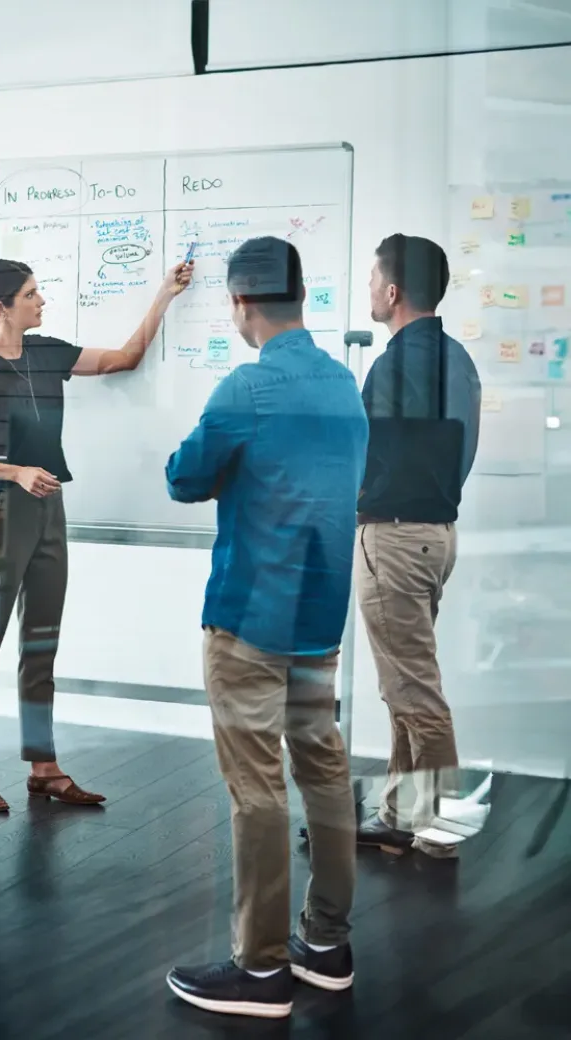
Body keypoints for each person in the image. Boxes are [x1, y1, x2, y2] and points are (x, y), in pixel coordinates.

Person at [163, 237, 368, 1020]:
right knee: (322, 770)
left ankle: (259, 970)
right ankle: (327, 946)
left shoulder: (245, 389)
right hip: (320, 620)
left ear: (241, 303)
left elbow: (184, 478)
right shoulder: (345, 387)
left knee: (256, 791)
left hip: (250, 618)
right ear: (303, 297)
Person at [0, 257, 193, 811]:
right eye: (32, 294)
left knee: (41, 641)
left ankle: (43, 766)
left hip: (51, 509)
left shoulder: (48, 351)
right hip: (3, 514)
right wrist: (13, 470)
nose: (42, 300)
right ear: (2, 307)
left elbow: (125, 359)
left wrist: (164, 296)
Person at [354, 234, 481, 857]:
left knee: (415, 695)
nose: (370, 291)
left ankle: (440, 833)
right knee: (405, 686)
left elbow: (364, 457)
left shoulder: (395, 364)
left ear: (395, 291)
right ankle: (401, 815)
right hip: (435, 537)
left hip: (396, 539)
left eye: (374, 280)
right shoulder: (458, 359)